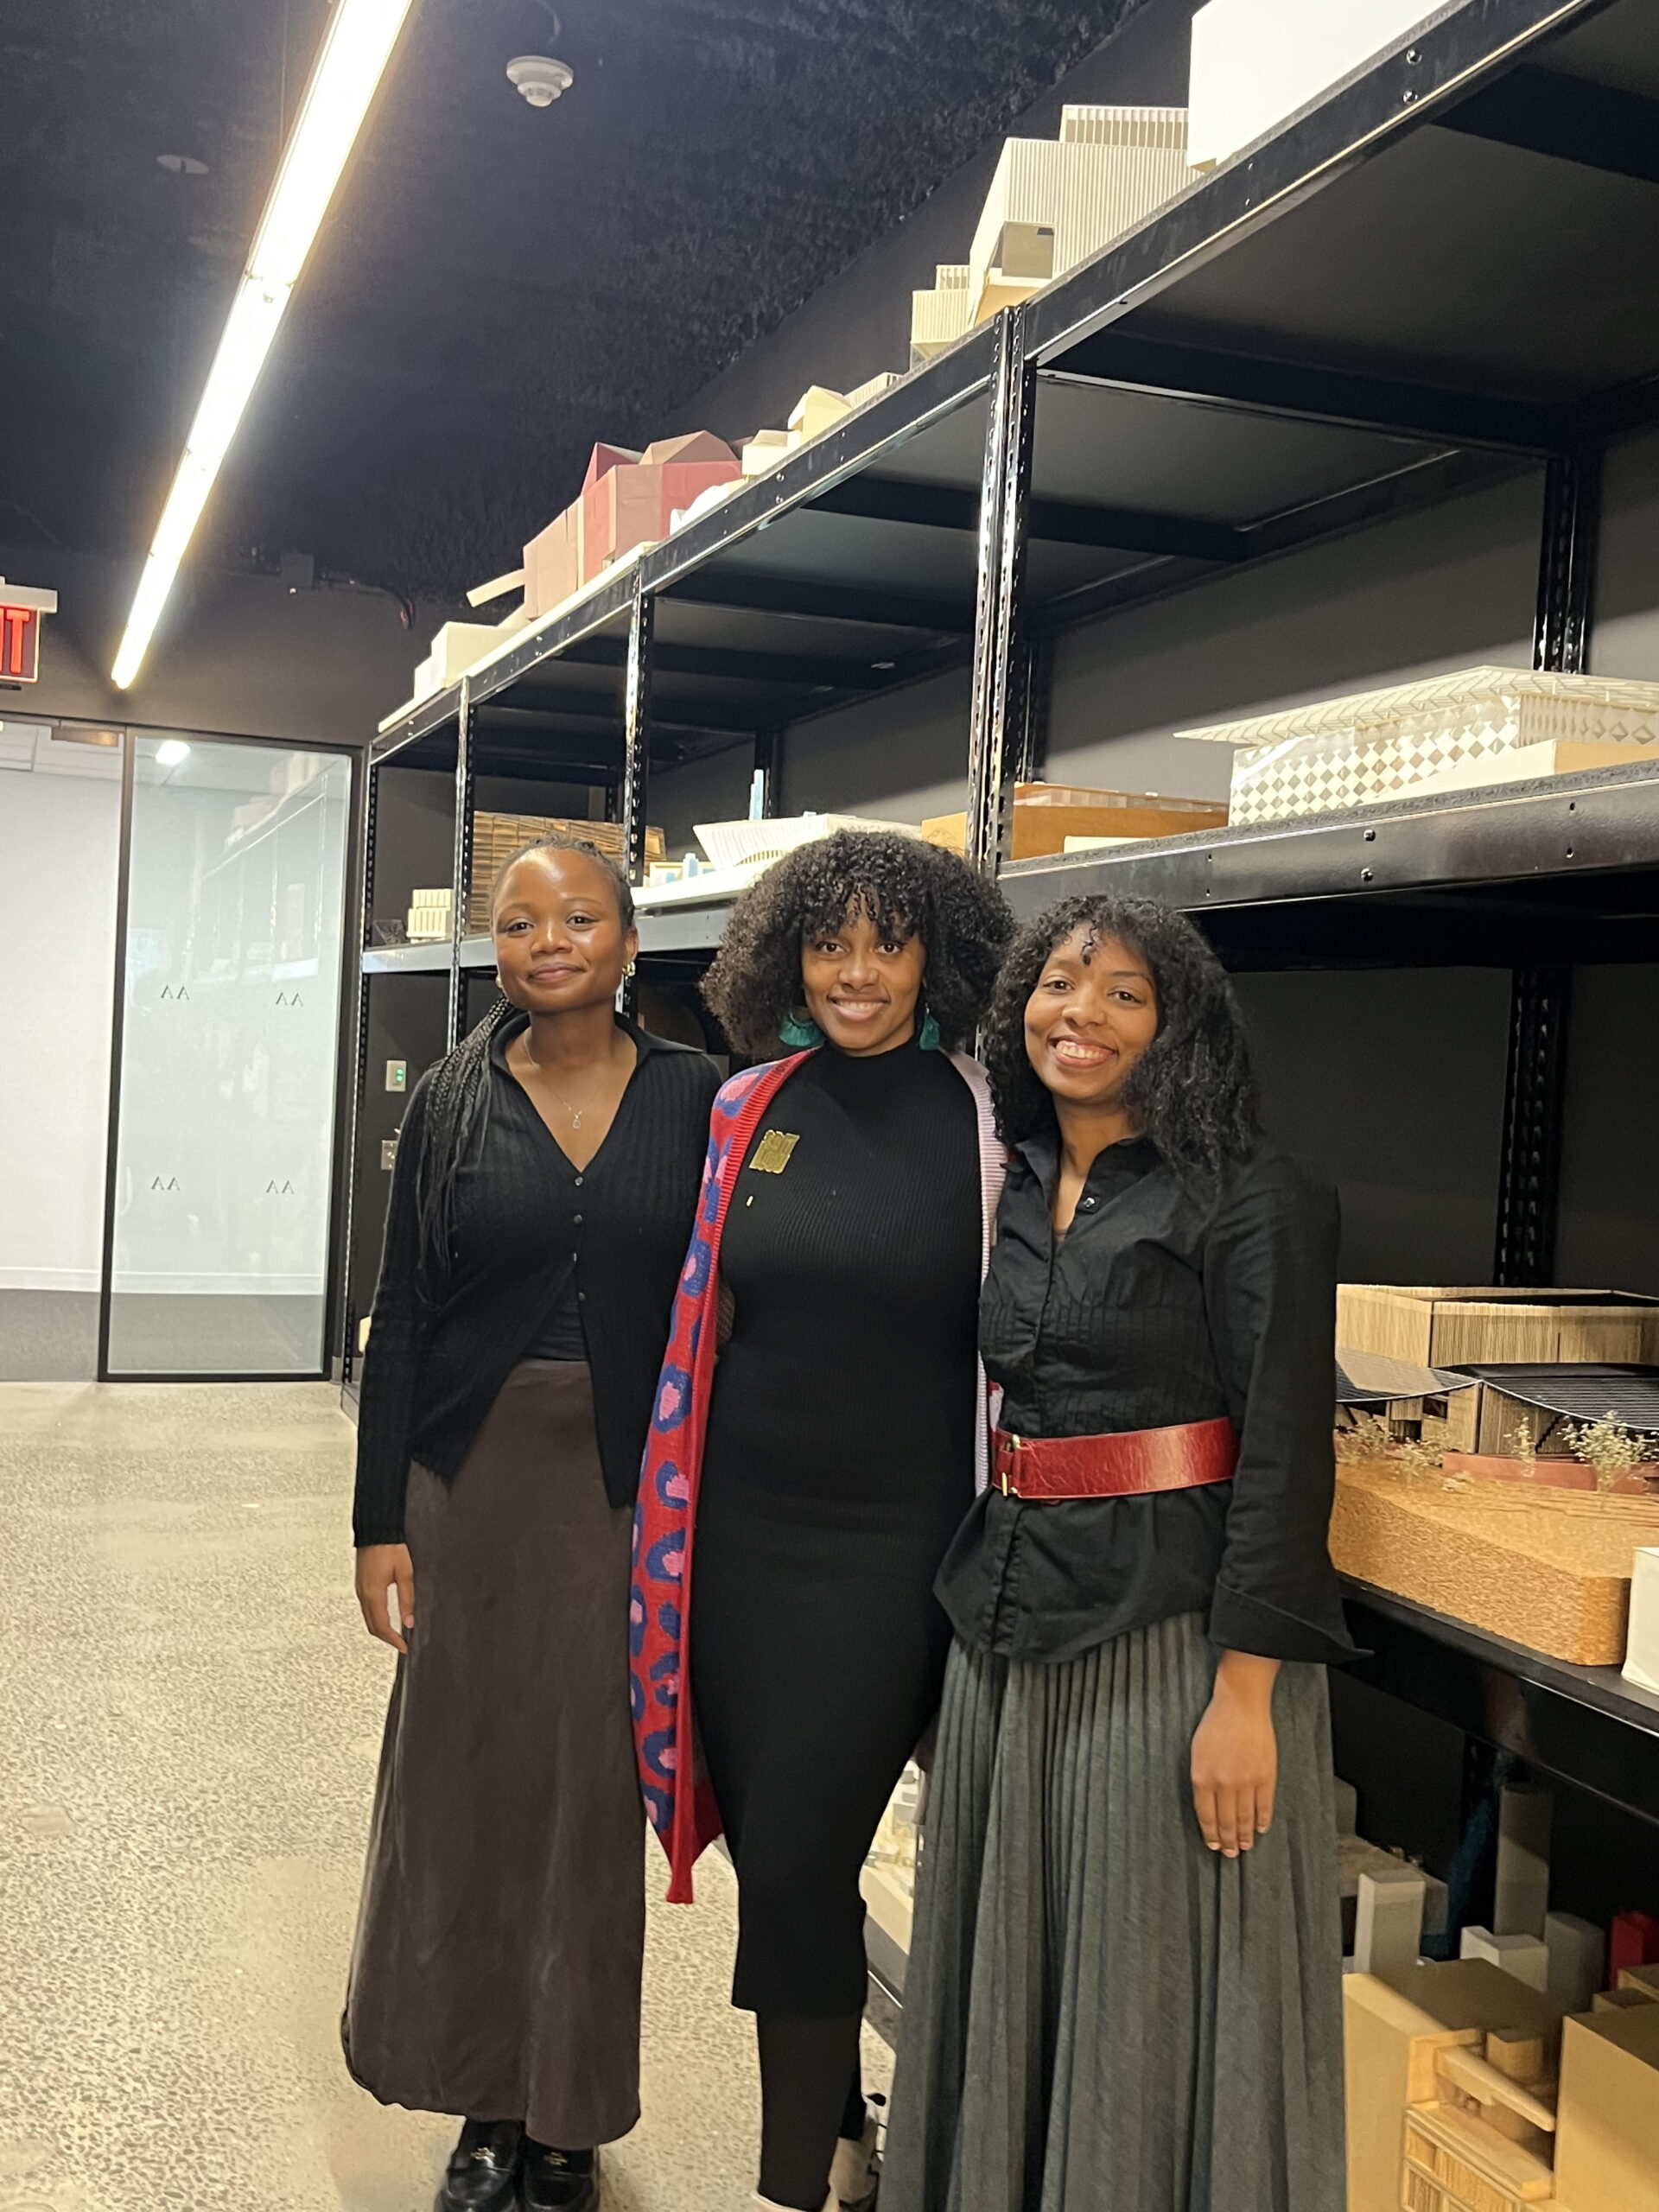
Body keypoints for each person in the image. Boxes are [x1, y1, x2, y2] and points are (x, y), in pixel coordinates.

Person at [881, 892, 1357, 2212]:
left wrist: (1246, 1696)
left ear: (1179, 1024)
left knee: (1139, 2000)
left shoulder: (1254, 1195)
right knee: (1006, 1981)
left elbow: (1286, 1454)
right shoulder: (1019, 1184)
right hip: (1011, 1629)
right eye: (1058, 983)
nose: (1079, 1014)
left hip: (1169, 1647)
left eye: (1123, 994)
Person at [631, 830, 1012, 2212]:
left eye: (887, 945)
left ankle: (797, 2182)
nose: (857, 973)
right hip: (738, 1543)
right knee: (775, 1857)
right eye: (829, 944)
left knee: (800, 1854)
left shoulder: (990, 1120)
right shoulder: (750, 1105)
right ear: (786, 959)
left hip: (896, 1554)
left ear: (935, 958)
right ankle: (842, 2134)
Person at [344, 833, 721, 2212]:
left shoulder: (700, 1097)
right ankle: (486, 2103)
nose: (546, 941)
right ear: (493, 949)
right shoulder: (455, 1097)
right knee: (468, 1792)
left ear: (628, 940)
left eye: (575, 917)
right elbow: (403, 1315)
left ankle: (572, 2116)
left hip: (630, 1495)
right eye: (516, 923)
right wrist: (378, 1521)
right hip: (471, 1484)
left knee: (591, 1802)